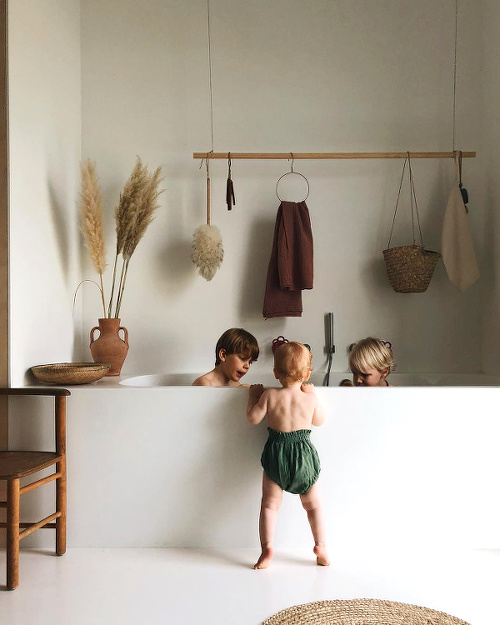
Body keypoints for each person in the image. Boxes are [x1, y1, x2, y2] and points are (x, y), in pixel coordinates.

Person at [247, 342, 329, 569]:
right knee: (313, 506)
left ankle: (267, 548)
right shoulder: (310, 398)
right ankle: (321, 546)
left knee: (270, 506)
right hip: (303, 456)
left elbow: (253, 418)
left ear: (275, 373)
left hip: (277, 455)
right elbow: (319, 421)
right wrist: (313, 394)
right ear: (307, 374)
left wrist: (253, 396)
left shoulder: (270, 395)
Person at [192, 328, 259, 387]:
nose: (247, 366)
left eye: (250, 362)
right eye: (243, 359)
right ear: (223, 355)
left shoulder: (236, 385)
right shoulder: (204, 383)